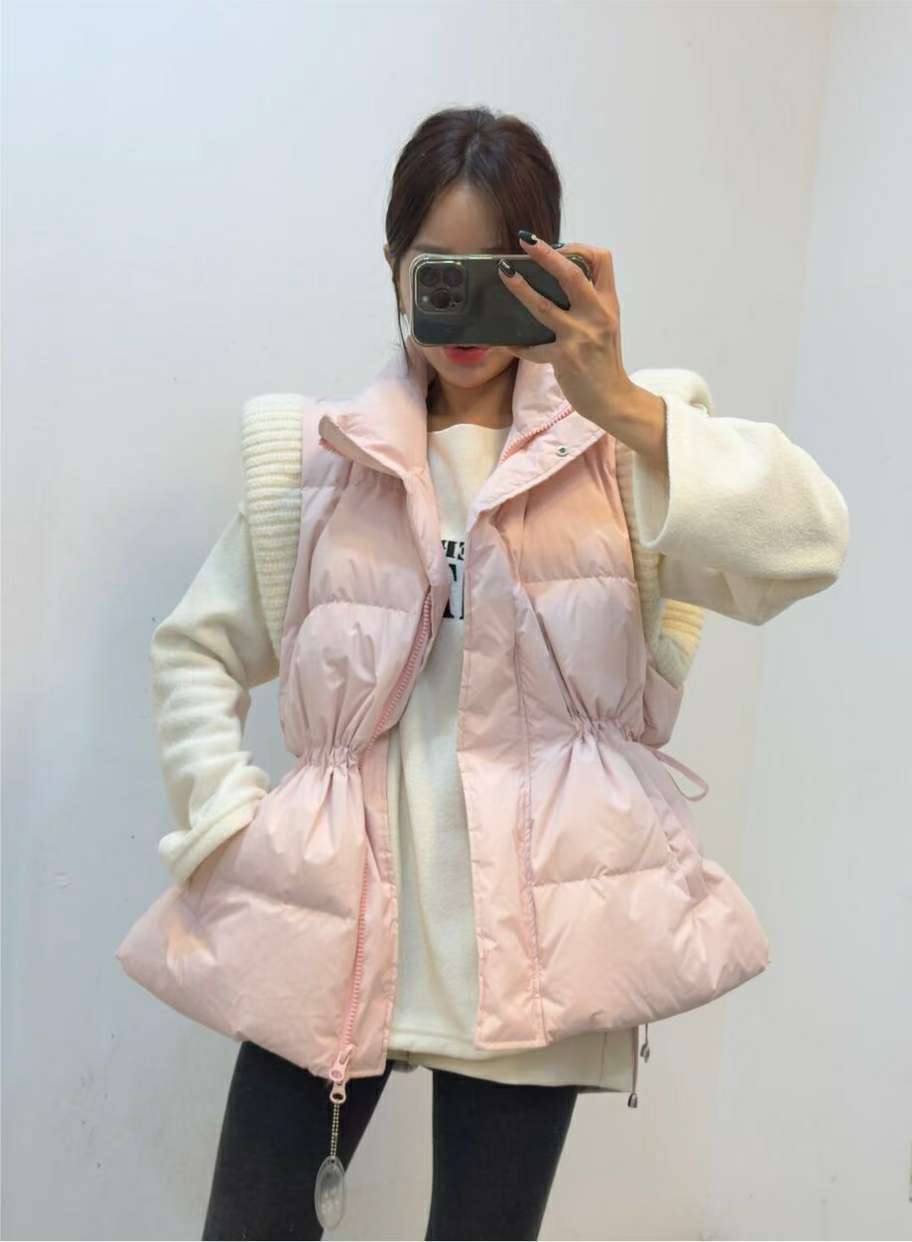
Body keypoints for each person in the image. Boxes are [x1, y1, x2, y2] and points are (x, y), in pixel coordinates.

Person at [120, 106, 850, 1241]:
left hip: (537, 953)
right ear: (393, 266)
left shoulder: (625, 456)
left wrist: (625, 406)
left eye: (500, 271)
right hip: (331, 930)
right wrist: (227, 826)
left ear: (550, 270)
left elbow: (808, 547)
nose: (465, 310)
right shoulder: (316, 459)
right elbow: (195, 648)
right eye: (437, 270)